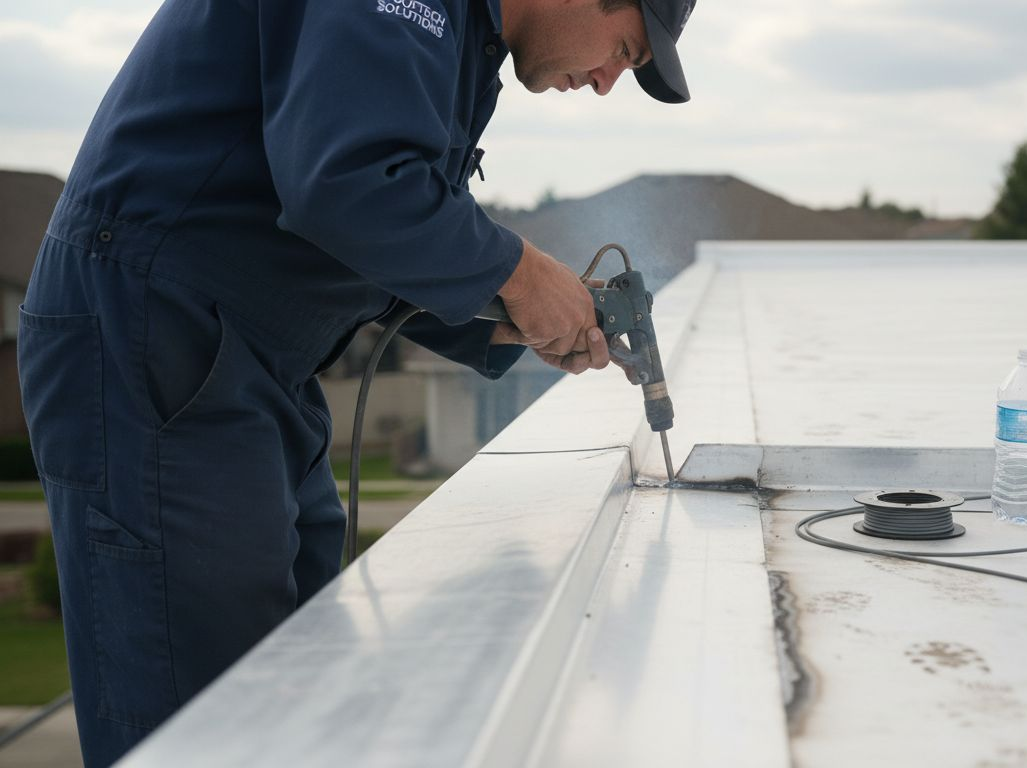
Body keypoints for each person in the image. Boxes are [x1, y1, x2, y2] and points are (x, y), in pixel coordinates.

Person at [15, 0, 698, 764]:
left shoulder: (463, 37)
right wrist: (515, 269)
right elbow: (344, 181)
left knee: (299, 694)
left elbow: (373, 222)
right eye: (627, 50)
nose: (607, 82)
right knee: (205, 726)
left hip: (244, 358)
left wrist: (511, 312)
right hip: (154, 341)